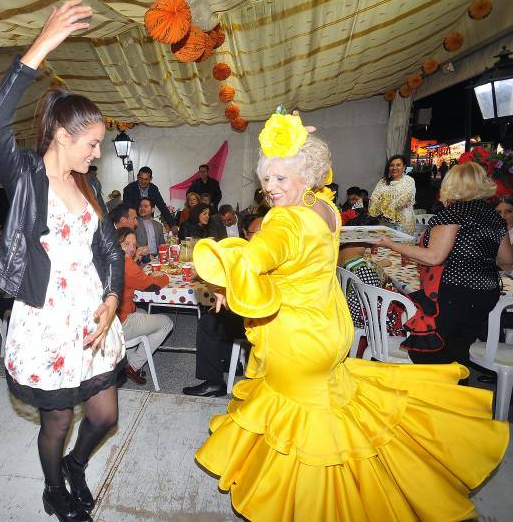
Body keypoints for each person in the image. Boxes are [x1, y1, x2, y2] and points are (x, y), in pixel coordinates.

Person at [191, 111, 508, 521]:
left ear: (305, 175)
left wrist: (221, 280)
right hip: (331, 329)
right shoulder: (325, 208)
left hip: (299, 341)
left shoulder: (284, 221)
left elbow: (252, 260)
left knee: (304, 432)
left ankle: (312, 508)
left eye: (281, 178)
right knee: (333, 417)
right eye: (266, 178)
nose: (270, 187)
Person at [0, 1, 125, 520]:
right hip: (45, 318)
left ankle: (77, 466)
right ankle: (52, 488)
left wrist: (112, 298)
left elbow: (108, 247)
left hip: (90, 314)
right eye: (91, 143)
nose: (96, 153)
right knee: (57, 421)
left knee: (104, 413)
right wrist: (41, 45)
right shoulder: (24, 176)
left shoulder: (89, 187)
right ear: (63, 136)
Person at [374, 162, 513, 367]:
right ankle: (457, 389)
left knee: (435, 353)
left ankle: (440, 393)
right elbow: (507, 260)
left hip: (456, 294)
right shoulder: (493, 216)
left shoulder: (454, 214)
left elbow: (433, 257)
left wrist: (391, 244)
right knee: (458, 349)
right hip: (486, 293)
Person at [116, 227, 173, 385]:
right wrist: (165, 276)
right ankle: (133, 365)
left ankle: (124, 360)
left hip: (111, 320)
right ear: (117, 243)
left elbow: (132, 278)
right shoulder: (127, 264)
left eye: (133, 245)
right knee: (167, 323)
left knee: (141, 310)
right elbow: (152, 286)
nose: (131, 248)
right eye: (126, 243)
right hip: (121, 323)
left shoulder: (113, 259)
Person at [369, 155, 416, 234]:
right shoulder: (383, 182)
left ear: (404, 167)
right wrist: (383, 205)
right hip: (384, 222)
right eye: (392, 165)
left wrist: (384, 203)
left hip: (403, 222)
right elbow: (374, 199)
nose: (394, 168)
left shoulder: (408, 181)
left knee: (401, 245)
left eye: (398, 165)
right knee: (384, 245)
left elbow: (402, 201)